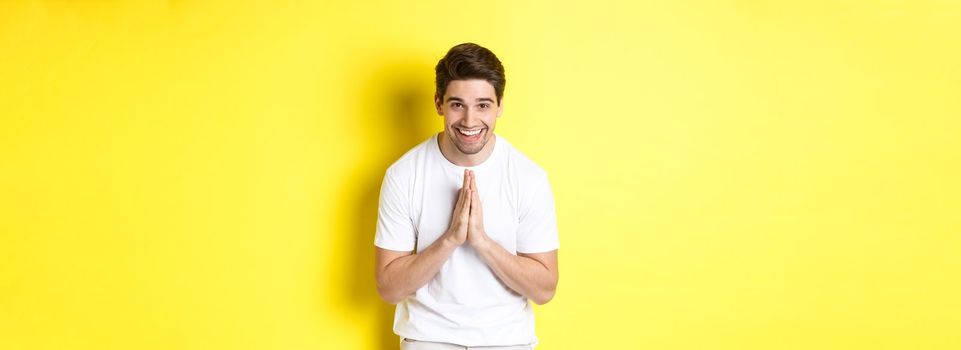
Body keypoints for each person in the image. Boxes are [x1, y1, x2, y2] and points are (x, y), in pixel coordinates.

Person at [374, 43, 559, 350]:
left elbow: (544, 290)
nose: (470, 121)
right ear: (438, 103)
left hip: (508, 341)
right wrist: (450, 239)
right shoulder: (403, 175)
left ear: (499, 105)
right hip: (427, 340)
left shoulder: (529, 178)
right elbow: (389, 288)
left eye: (483, 105)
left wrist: (482, 241)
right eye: (457, 104)